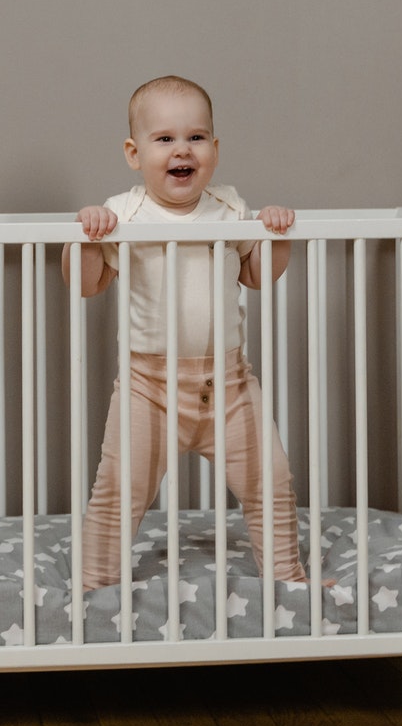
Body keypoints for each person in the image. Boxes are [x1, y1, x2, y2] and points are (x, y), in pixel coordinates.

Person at [67, 74, 308, 591]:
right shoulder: (123, 214)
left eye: (196, 138)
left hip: (230, 384)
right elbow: (87, 286)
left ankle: (287, 578)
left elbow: (258, 274)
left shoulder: (231, 210)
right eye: (165, 139)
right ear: (134, 153)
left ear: (215, 150)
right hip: (147, 388)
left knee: (271, 481)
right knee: (119, 490)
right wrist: (84, 235)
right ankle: (94, 583)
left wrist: (274, 232)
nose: (183, 150)